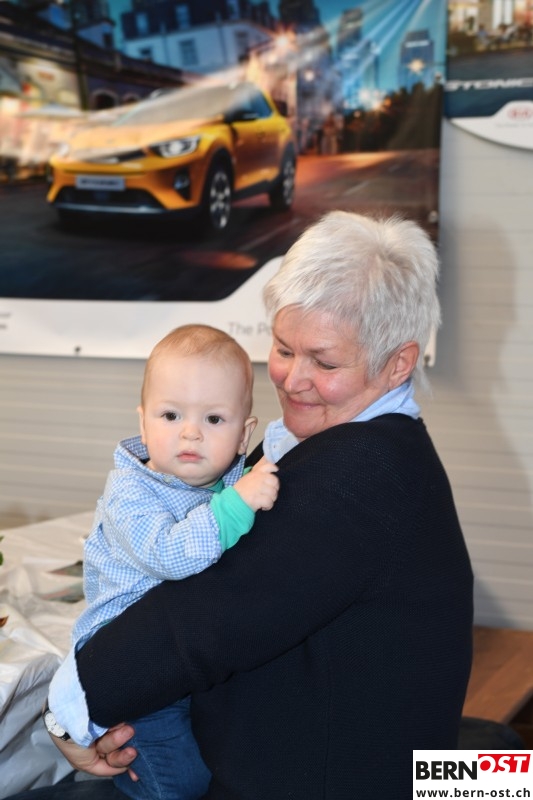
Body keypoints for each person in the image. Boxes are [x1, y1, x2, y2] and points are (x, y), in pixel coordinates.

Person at [12, 210, 473, 800]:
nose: (292, 379)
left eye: (324, 362)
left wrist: (72, 706)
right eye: (283, 349)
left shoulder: (359, 475)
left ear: (399, 362)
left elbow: (206, 620)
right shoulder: (352, 443)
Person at [45, 323, 279, 800]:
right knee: (179, 781)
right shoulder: (130, 491)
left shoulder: (227, 481)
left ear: (243, 434)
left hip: (186, 658)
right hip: (130, 665)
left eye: (214, 419)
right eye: (170, 415)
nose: (190, 432)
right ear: (143, 423)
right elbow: (168, 555)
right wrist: (236, 506)